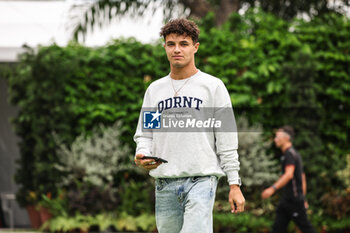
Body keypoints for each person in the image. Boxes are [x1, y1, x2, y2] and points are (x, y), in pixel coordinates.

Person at [134, 18, 245, 233]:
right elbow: (146, 135)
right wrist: (142, 154)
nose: (177, 49)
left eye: (183, 44)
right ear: (165, 47)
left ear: (195, 47)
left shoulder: (212, 87)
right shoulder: (155, 90)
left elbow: (226, 139)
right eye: (171, 44)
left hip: (201, 181)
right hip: (164, 183)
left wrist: (234, 184)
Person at [261, 126, 317, 233]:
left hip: (293, 200)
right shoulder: (293, 153)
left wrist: (272, 189)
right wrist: (303, 197)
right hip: (288, 200)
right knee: (278, 228)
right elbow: (302, 177)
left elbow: (288, 175)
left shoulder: (289, 154)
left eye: (277, 137)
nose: (275, 139)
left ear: (286, 138)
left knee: (306, 228)